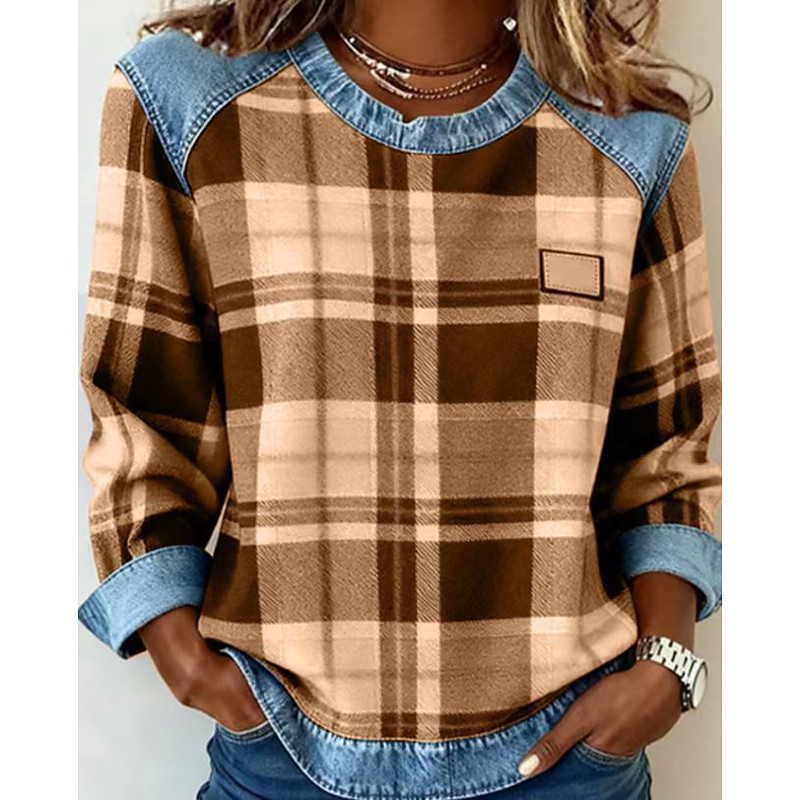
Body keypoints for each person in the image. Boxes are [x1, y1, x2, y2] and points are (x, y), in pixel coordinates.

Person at [77, 1, 723, 798]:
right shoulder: (190, 102)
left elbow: (665, 451)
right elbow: (143, 418)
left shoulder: (630, 134)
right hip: (286, 753)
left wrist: (666, 667)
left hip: (568, 759)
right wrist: (184, 658)